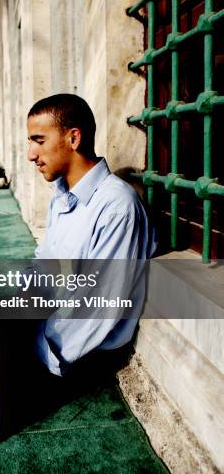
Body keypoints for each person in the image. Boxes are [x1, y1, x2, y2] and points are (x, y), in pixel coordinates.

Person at [26, 93, 156, 377]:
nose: (31, 155)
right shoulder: (61, 195)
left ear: (73, 139)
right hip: (44, 331)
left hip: (71, 356)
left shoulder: (117, 206)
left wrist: (28, 347)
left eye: (39, 141)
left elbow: (96, 308)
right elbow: (45, 266)